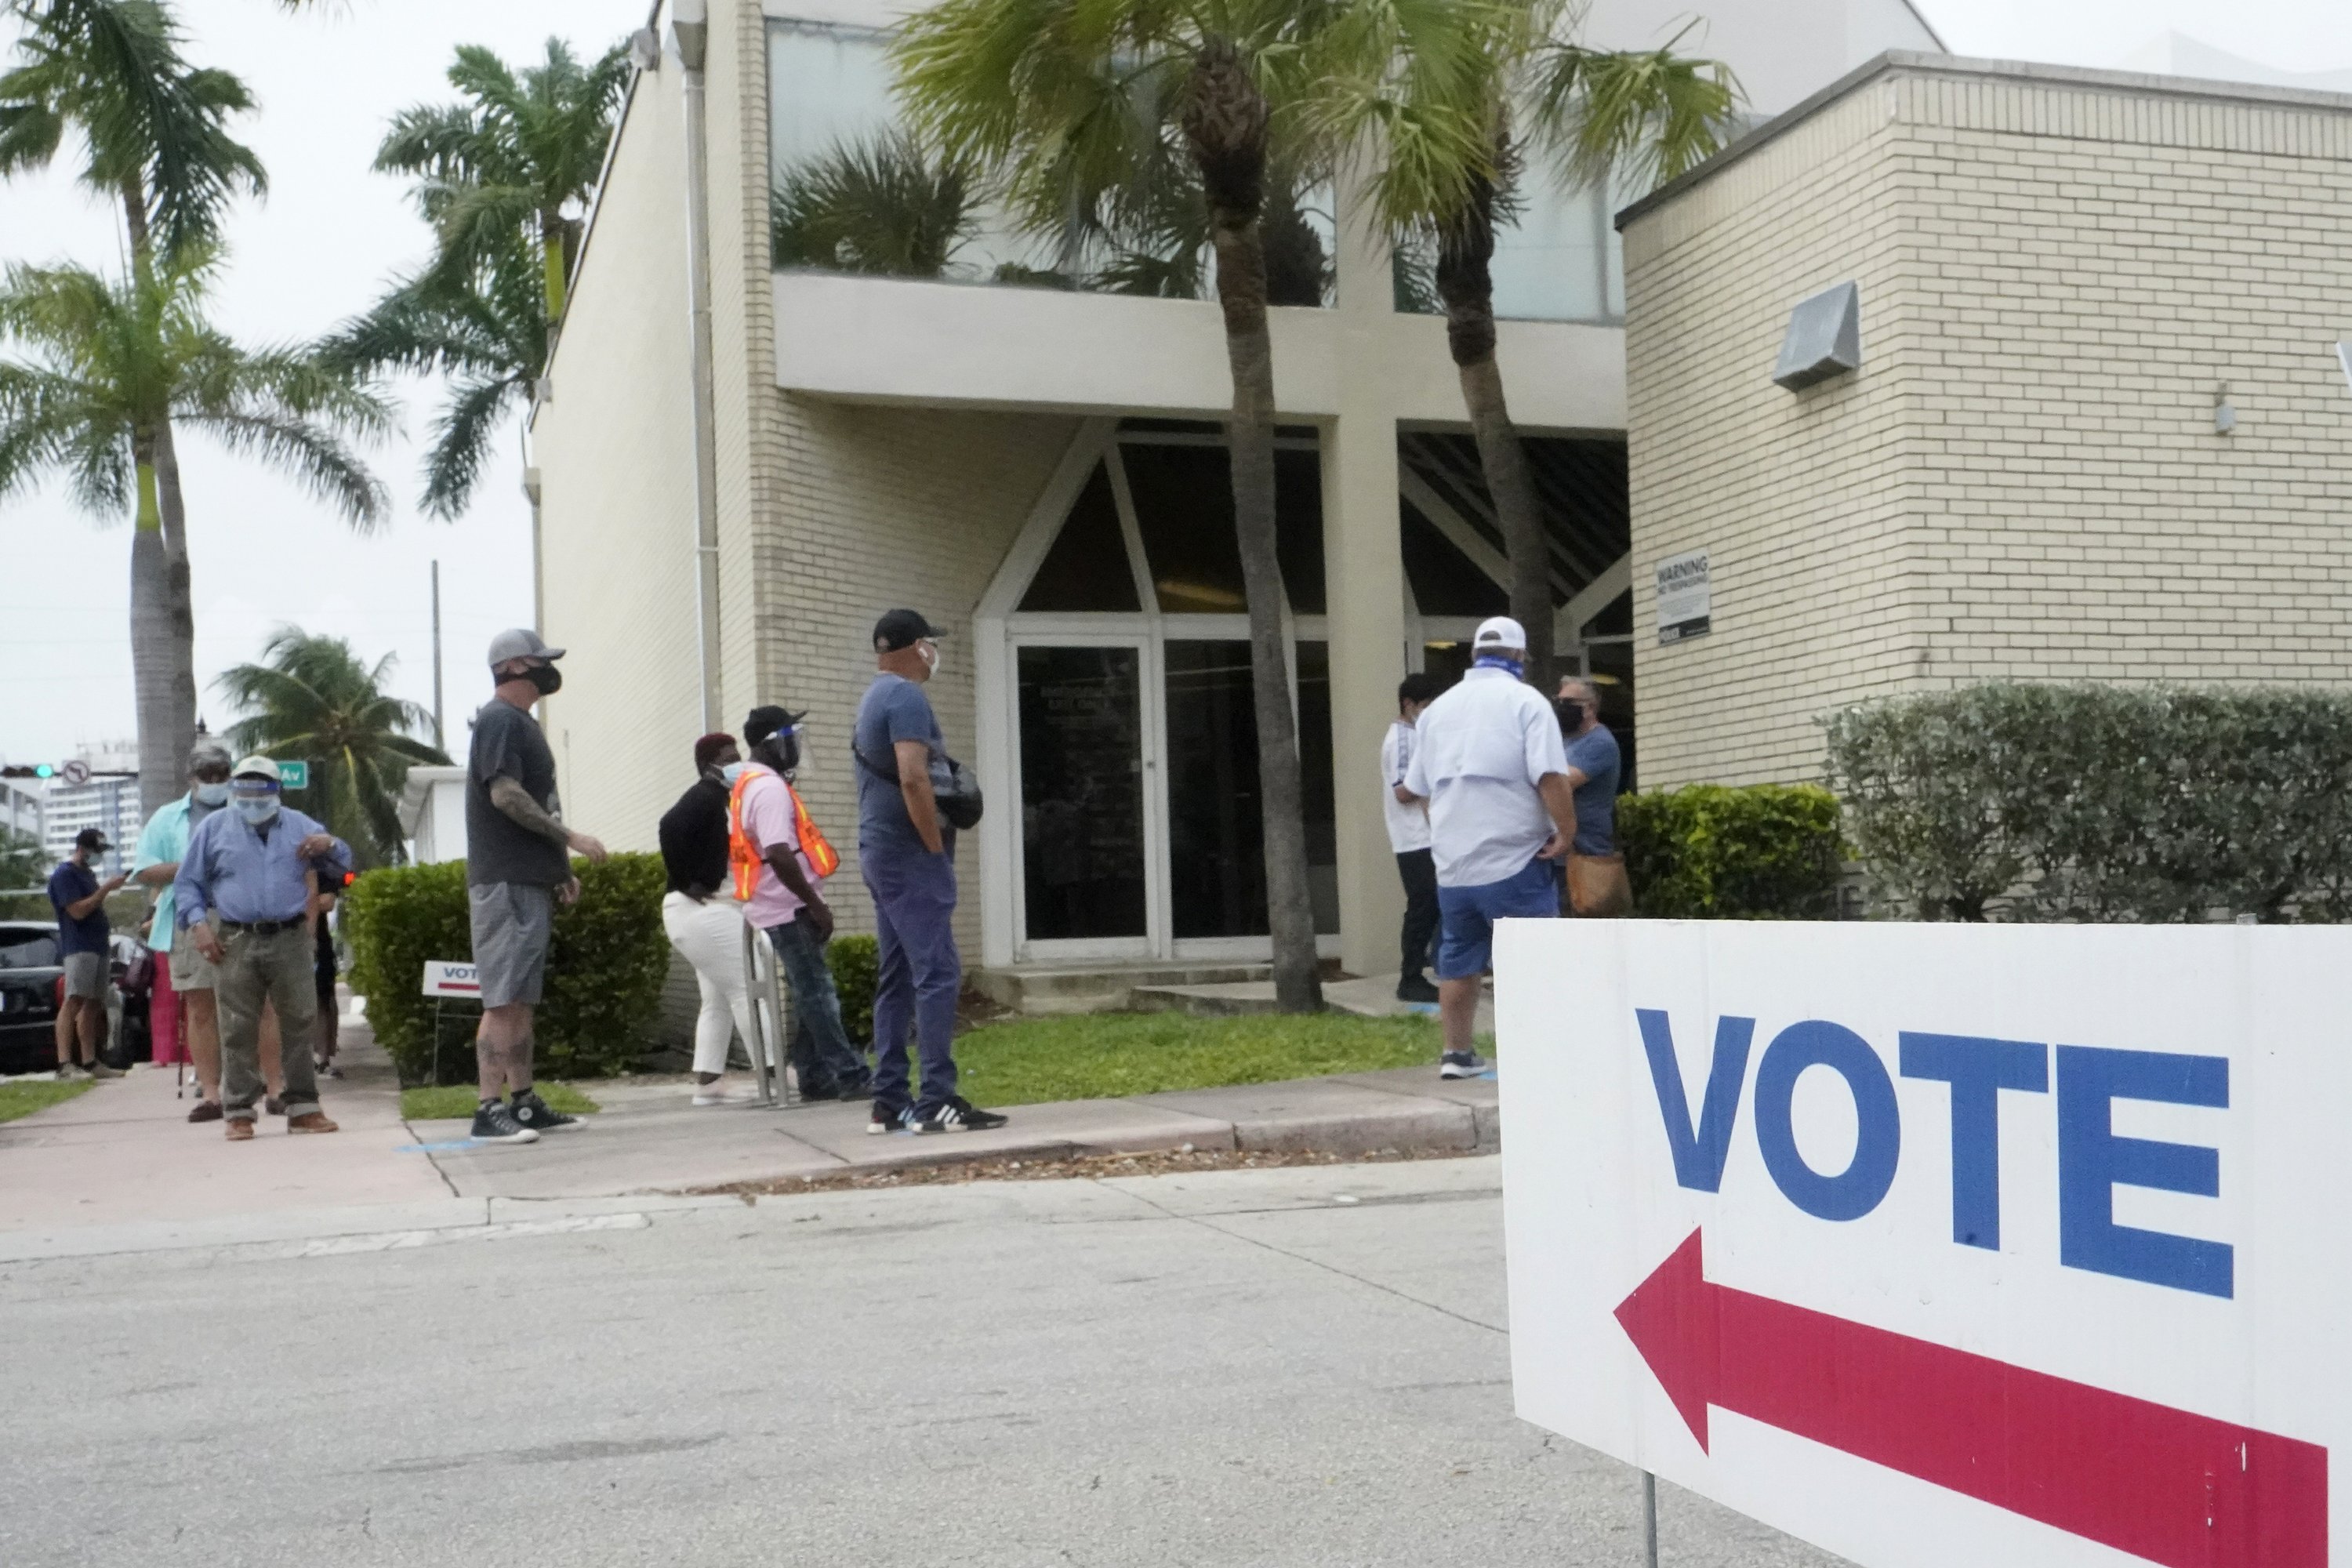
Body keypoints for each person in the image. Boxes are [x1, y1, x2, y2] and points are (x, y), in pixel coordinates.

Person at [1400, 616, 1578, 1080]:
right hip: (1515, 858)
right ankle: (1539, 1056)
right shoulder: (1527, 703)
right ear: (1519, 656)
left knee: (1457, 959)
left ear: (1474, 655)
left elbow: (1418, 787)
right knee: (1533, 959)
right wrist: (1567, 831)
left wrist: (1443, 833)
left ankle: (1456, 1054)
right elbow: (1549, 777)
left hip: (1454, 866)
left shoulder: (1436, 712)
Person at [854, 609, 1006, 1134]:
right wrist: (933, 845)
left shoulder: (875, 697)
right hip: (909, 856)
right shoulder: (905, 698)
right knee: (938, 972)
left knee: (896, 975)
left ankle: (889, 1101)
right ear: (916, 647)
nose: (933, 654)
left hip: (879, 851)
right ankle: (937, 1099)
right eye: (929, 644)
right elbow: (913, 777)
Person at [466, 629, 608, 1145]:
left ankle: (523, 1103)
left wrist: (557, 870)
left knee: (520, 1000)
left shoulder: (518, 724)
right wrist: (570, 839)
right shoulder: (499, 719)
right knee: (502, 1000)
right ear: (517, 666)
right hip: (503, 883)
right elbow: (506, 796)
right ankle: (488, 1108)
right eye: (541, 661)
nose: (549, 670)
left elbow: (533, 805)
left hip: (525, 879)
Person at [173, 756, 350, 1139]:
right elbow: (188, 883)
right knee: (237, 1026)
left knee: (300, 1021)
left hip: (289, 936)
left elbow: (343, 866)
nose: (253, 799)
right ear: (235, 791)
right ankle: (238, 1112)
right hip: (236, 936)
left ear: (276, 792)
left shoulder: (302, 826)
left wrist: (331, 844)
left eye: (261, 790)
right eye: (245, 790)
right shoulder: (214, 827)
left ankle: (303, 1108)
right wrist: (199, 926)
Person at [132, 738, 285, 1121]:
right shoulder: (167, 818)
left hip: (246, 915)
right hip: (191, 917)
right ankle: (213, 1094)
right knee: (201, 1008)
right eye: (207, 775)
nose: (214, 780)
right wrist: (192, 865)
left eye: (221, 774)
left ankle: (276, 1088)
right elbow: (144, 870)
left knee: (263, 1005)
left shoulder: (252, 810)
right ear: (192, 777)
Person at [734, 705, 871, 1102]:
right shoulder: (769, 788)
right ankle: (851, 1077)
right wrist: (815, 904)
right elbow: (778, 853)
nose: (796, 747)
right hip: (789, 908)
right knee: (818, 994)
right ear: (773, 744)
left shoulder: (750, 783)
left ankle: (814, 1077)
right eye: (791, 738)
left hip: (777, 905)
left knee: (809, 992)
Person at [658, 731, 761, 1105]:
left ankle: (707, 1082)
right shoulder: (705, 795)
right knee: (751, 987)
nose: (738, 762)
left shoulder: (721, 799)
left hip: (692, 913)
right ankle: (772, 1074)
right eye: (730, 756)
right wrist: (692, 883)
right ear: (711, 765)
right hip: (701, 910)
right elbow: (669, 826)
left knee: (717, 998)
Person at [1383, 673, 1445, 1004]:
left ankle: (1423, 965)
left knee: (1432, 905)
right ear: (1409, 705)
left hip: (1424, 837)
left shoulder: (1418, 735)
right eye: (1425, 706)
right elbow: (1403, 791)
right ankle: (1410, 977)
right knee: (1423, 905)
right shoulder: (1403, 739)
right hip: (1415, 837)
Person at [47, 828, 125, 1081]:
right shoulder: (65, 875)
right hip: (79, 946)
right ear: (83, 849)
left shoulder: (87, 873)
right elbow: (77, 911)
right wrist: (106, 889)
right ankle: (64, 1063)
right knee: (74, 1001)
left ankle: (90, 1061)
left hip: (98, 945)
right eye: (96, 852)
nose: (99, 857)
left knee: (93, 1004)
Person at [1555, 676, 1631, 917]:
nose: (1560, 708)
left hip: (1587, 852)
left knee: (1585, 921)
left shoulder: (1600, 742)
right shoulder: (1562, 742)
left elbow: (1562, 782)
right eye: (1558, 701)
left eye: (1568, 702)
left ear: (1589, 707)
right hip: (1562, 853)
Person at [311, 870, 347, 1076]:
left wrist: (292, 905)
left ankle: (323, 1057)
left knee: (323, 999)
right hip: (281, 943)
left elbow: (328, 902)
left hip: (318, 942)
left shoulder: (319, 867)